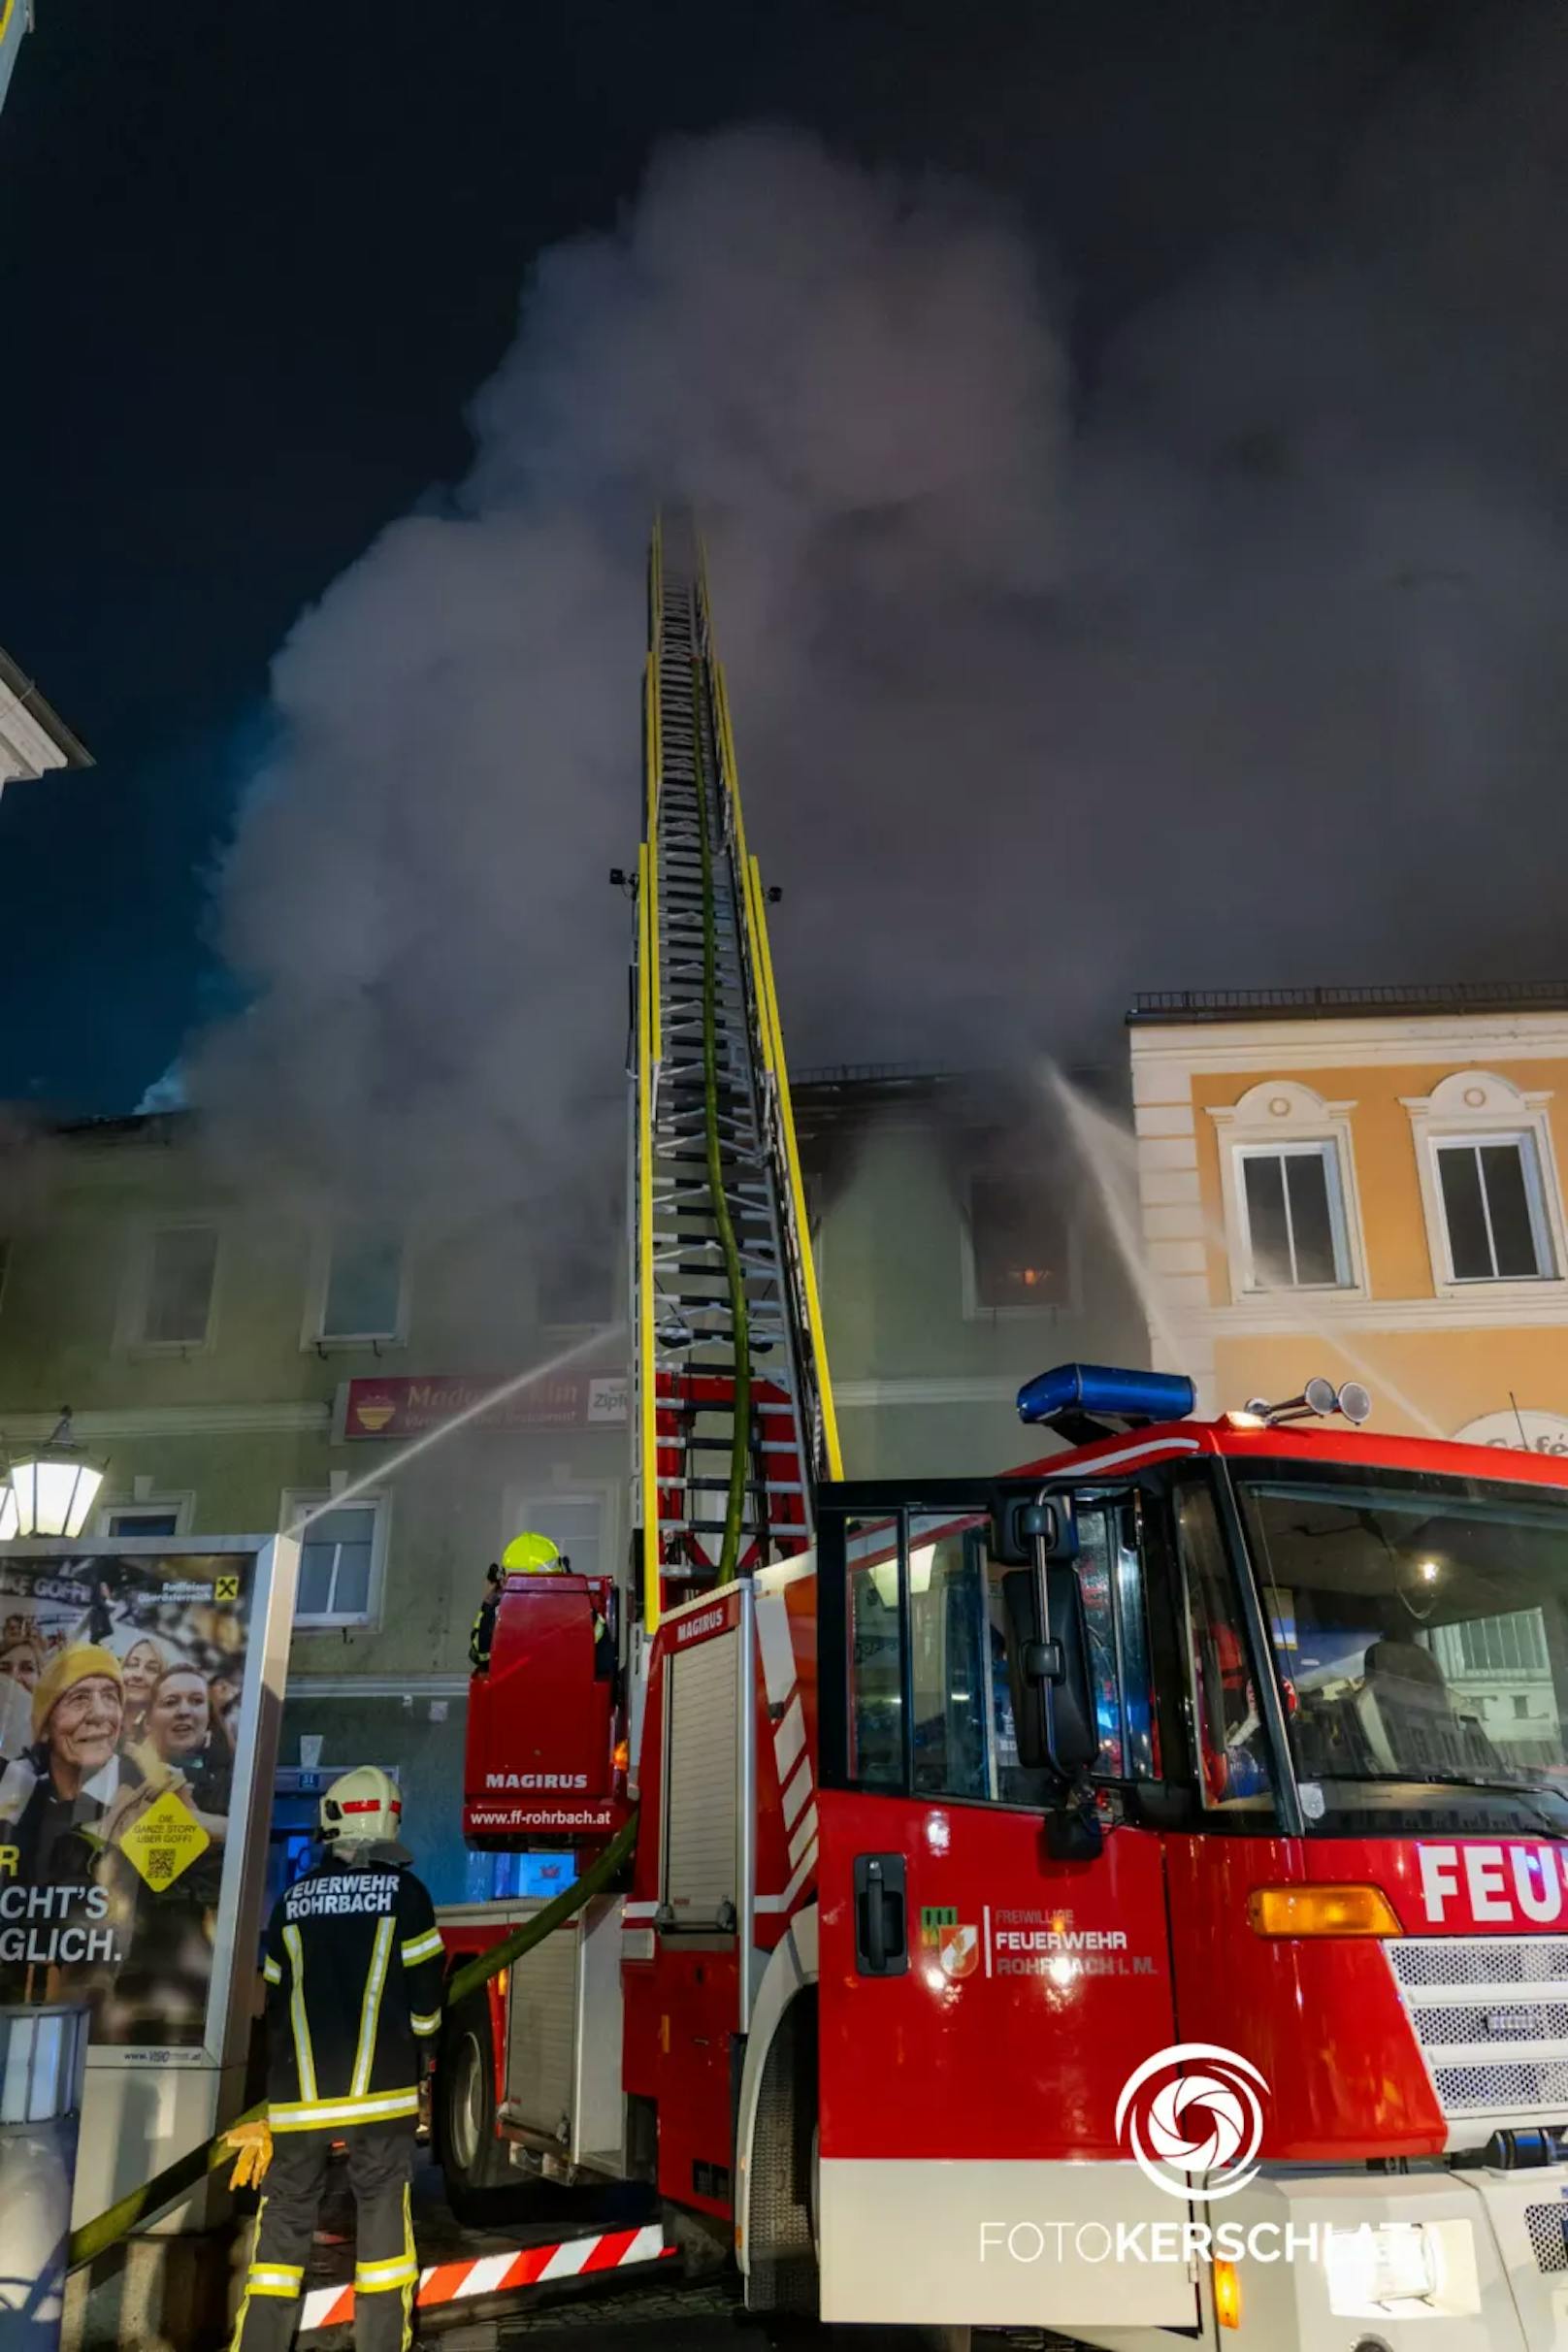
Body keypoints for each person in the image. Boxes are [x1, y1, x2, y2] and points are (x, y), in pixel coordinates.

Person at [231, 1766, 442, 2352]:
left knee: (281, 2235)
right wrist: (422, 2047)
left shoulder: (292, 1902)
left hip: (298, 2101)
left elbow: (273, 2000)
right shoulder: (409, 1896)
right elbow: (427, 2003)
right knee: (382, 2232)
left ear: (332, 1823)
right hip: (381, 2099)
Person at [0, 1645, 132, 1878]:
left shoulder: (148, 1793)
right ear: (45, 1725)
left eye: (111, 1697)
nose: (100, 1714)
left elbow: (174, 1899)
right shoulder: (17, 1791)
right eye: (79, 1699)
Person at [468, 1532, 569, 1672]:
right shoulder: (579, 1610)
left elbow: (480, 1655)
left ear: (504, 1580)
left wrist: (488, 1603)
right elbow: (602, 1659)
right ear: (559, 1572)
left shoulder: (499, 1616)